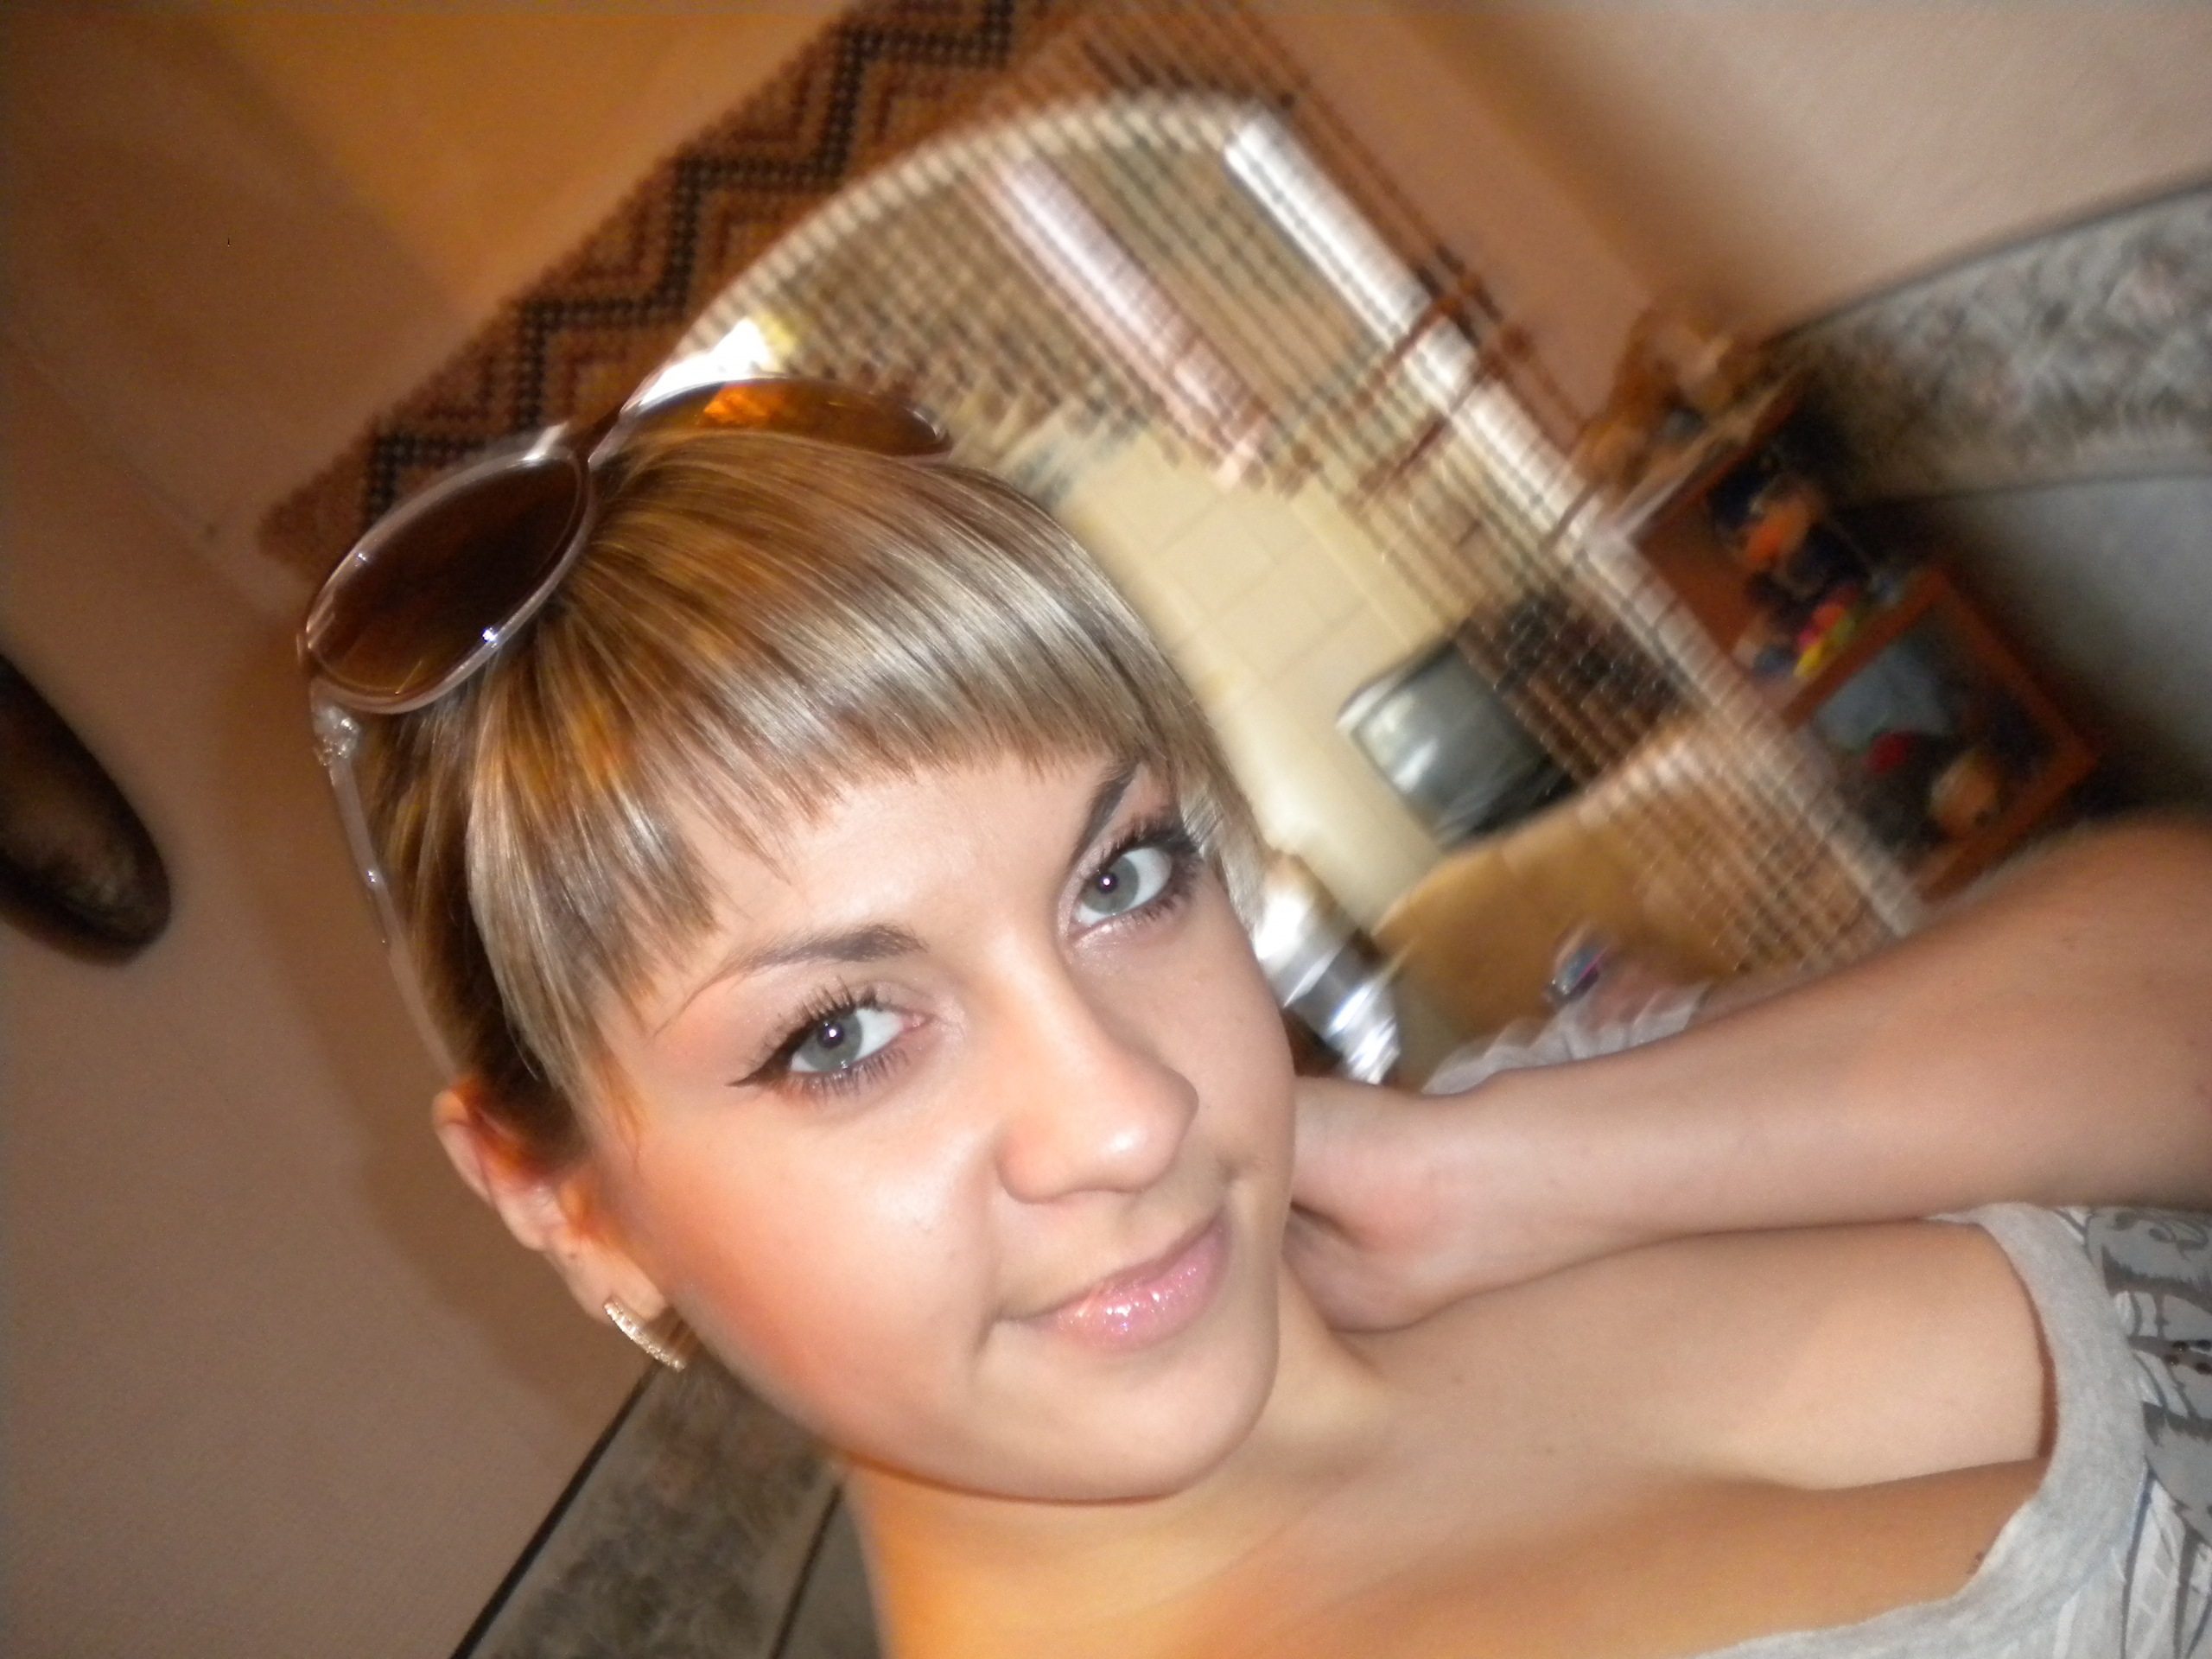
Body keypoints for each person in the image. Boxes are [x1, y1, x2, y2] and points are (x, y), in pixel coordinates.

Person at [308, 389, 2212, 1659]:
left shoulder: (1519, 1142)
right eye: (838, 1037)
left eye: (1123, 876)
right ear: (566, 1203)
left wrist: (1533, 1164)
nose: (1126, 1113)